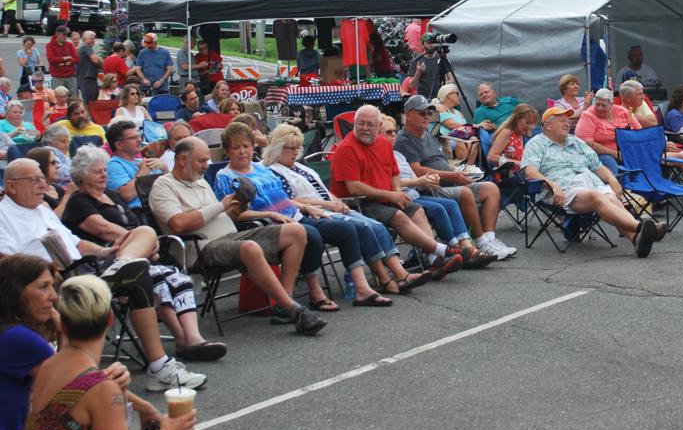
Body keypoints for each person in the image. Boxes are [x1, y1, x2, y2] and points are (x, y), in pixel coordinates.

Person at [0, 158, 206, 392]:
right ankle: (158, 365)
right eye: (34, 180)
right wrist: (46, 269)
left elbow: (76, 242)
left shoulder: (42, 210)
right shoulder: (4, 215)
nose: (42, 184)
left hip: (87, 267)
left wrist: (105, 250)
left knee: (144, 233)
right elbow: (7, 263)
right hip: (59, 281)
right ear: (12, 185)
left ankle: (121, 265)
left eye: (41, 178)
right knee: (137, 277)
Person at [21, 274, 251, 430]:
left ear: (63, 323)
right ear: (110, 319)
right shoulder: (101, 388)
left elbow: (82, 399)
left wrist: (144, 408)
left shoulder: (51, 363)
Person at [62, 145, 227, 360]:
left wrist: (145, 242)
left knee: (178, 279)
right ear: (81, 176)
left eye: (104, 170)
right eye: (97, 171)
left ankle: (194, 338)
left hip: (139, 255)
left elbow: (133, 223)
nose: (104, 175)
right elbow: (103, 229)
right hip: (105, 262)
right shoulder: (78, 202)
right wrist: (143, 238)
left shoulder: (111, 195)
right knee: (157, 282)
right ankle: (182, 341)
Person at [150, 137, 327, 336]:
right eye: (201, 161)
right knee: (249, 247)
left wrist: (240, 203)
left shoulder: (200, 182)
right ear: (182, 159)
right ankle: (295, 311)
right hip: (200, 246)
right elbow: (178, 224)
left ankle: (284, 301)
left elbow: (225, 215)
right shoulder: (163, 186)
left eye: (207, 160)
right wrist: (221, 205)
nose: (206, 165)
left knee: (296, 231)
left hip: (231, 235)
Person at [263, 124, 429, 300]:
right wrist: (327, 204)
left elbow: (322, 190)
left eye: (298, 147)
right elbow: (289, 201)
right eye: (291, 148)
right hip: (311, 213)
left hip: (329, 207)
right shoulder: (272, 171)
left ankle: (401, 275)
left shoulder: (301, 167)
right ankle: (385, 279)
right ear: (277, 147)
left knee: (377, 226)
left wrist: (336, 201)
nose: (296, 152)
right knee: (364, 226)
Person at [329, 104, 473, 271]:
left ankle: (434, 260)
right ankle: (442, 251)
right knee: (400, 215)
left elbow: (394, 173)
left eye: (370, 124)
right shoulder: (347, 149)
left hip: (386, 197)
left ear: (378, 127)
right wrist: (391, 195)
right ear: (354, 124)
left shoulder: (382, 144)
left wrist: (397, 191)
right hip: (360, 203)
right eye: (360, 124)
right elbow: (354, 188)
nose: (365, 128)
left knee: (417, 210)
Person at [522, 106, 667, 258]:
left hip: (590, 184)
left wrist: (611, 179)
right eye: (562, 121)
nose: (567, 124)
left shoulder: (576, 142)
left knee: (610, 197)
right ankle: (641, 226)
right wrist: (552, 184)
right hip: (562, 189)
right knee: (597, 197)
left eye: (568, 121)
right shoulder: (536, 144)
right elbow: (530, 171)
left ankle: (636, 239)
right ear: (548, 125)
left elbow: (597, 166)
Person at [391, 98, 515, 261]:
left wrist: (460, 171)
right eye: (422, 113)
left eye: (430, 113)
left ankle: (489, 239)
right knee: (464, 193)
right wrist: (452, 176)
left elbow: (442, 162)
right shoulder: (404, 139)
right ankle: (480, 242)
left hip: (448, 181)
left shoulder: (427, 134)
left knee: (490, 188)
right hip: (430, 187)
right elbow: (418, 170)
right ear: (408, 115)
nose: (427, 116)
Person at [379, 113, 490, 267]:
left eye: (394, 132)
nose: (393, 135)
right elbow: (391, 182)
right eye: (388, 133)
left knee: (450, 204)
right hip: (404, 197)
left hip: (417, 191)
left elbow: (412, 176)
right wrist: (420, 181)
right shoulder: (383, 154)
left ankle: (468, 247)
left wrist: (427, 182)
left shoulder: (398, 154)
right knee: (440, 207)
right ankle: (456, 250)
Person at [0, 255, 58, 430]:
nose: (53, 296)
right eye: (43, 287)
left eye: (53, 286)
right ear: (16, 292)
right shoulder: (17, 338)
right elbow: (82, 385)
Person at [575, 88, 638, 173]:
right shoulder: (588, 116)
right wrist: (615, 153)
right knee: (610, 165)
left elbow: (639, 132)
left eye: (603, 105)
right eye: (597, 104)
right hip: (601, 154)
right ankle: (616, 184)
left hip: (626, 151)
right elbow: (588, 143)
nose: (599, 108)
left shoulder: (623, 111)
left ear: (611, 104)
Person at [104, 120, 162, 212]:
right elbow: (127, 195)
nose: (140, 140)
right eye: (133, 138)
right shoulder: (114, 165)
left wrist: (164, 167)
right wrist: (143, 173)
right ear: (119, 145)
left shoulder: (142, 161)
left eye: (139, 136)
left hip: (162, 206)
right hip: (142, 213)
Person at [431, 83, 479, 163]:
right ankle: (461, 168)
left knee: (474, 140)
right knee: (460, 140)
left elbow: (466, 129)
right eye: (457, 93)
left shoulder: (459, 113)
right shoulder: (439, 107)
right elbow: (452, 125)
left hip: (460, 139)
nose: (459, 96)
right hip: (444, 140)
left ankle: (468, 167)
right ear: (448, 95)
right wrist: (476, 125)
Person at [487, 102, 537, 172]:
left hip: (520, 176)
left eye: (532, 124)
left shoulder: (521, 135)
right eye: (527, 123)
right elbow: (491, 157)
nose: (530, 126)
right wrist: (518, 163)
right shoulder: (506, 133)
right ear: (517, 119)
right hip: (507, 178)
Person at [44, 25, 78, 97]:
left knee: (74, 99)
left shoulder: (69, 45)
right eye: (64, 34)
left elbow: (77, 58)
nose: (65, 36)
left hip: (71, 76)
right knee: (59, 98)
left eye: (66, 34)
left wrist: (66, 63)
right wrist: (65, 58)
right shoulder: (50, 45)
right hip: (57, 77)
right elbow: (51, 59)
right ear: (57, 34)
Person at [408, 32, 443, 98]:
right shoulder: (417, 61)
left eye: (432, 42)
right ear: (422, 45)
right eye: (428, 43)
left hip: (440, 97)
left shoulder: (441, 58)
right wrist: (418, 72)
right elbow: (411, 85)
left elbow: (450, 78)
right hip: (424, 98)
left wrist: (446, 85)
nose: (431, 45)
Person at [75, 30, 102, 103]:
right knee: (90, 103)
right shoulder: (86, 47)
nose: (93, 40)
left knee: (91, 101)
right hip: (87, 80)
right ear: (84, 39)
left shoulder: (84, 48)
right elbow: (95, 60)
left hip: (88, 79)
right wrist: (101, 63)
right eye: (91, 38)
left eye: (94, 38)